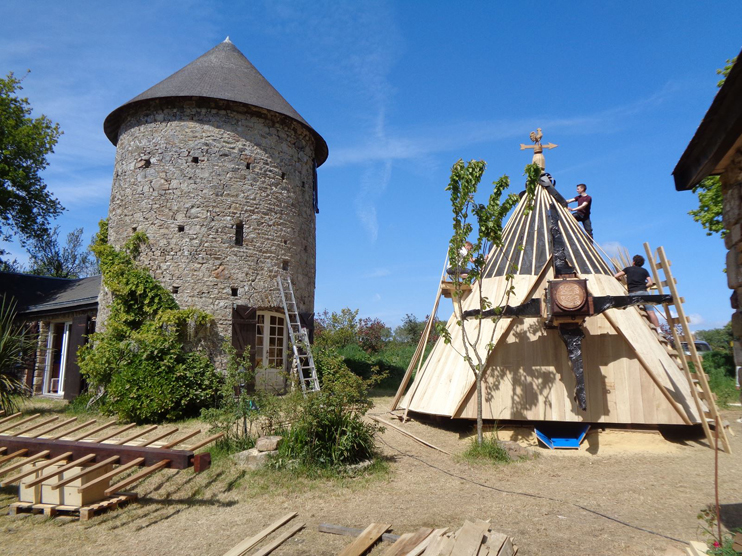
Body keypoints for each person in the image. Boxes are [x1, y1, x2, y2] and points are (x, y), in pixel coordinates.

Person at [614, 255, 660, 328]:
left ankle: (640, 304)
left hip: (633, 293)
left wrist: (620, 280)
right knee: (651, 312)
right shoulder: (644, 271)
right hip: (644, 292)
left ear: (633, 262)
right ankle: (659, 330)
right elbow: (650, 283)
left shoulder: (628, 269)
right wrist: (644, 286)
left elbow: (616, 275)